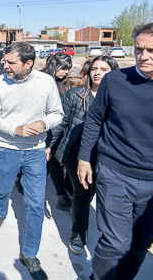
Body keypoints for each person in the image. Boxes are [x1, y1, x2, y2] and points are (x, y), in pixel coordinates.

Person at [77, 22, 153, 280]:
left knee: (138, 247)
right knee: (115, 244)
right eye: (138, 49)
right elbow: (94, 120)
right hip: (114, 174)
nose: (143, 56)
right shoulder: (115, 80)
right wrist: (83, 158)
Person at [0, 42, 63, 280]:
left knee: (36, 204)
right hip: (6, 148)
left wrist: (44, 124)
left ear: (28, 64)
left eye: (11, 62)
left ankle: (29, 253)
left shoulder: (46, 83)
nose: (4, 65)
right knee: (2, 188)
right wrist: (15, 129)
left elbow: (57, 114)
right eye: (4, 60)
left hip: (36, 152)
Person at [48, 56, 118, 256]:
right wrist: (50, 146)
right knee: (83, 193)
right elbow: (61, 123)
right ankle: (78, 234)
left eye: (103, 69)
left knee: (103, 195)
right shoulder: (75, 94)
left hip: (109, 156)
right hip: (77, 153)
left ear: (113, 72)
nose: (97, 72)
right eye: (95, 68)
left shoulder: (121, 98)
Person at [41, 53, 73, 211]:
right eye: (64, 68)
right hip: (42, 129)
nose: (66, 72)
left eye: (68, 69)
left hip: (58, 131)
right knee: (42, 164)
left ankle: (62, 197)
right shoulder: (41, 80)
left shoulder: (63, 83)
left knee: (55, 163)